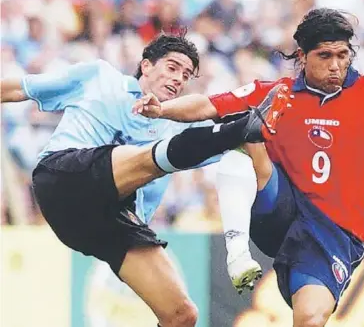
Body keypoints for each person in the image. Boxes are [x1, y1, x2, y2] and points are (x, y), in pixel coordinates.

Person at [132, 8, 364, 327]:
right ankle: (237, 252)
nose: (336, 65)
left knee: (309, 318)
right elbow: (208, 106)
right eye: (325, 56)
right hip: (279, 208)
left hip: (332, 234)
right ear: (303, 57)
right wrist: (161, 109)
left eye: (342, 55)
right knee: (249, 130)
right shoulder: (280, 91)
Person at [0, 33, 290, 327]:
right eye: (172, 67)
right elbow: (19, 89)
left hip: (107, 222)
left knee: (182, 314)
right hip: (62, 179)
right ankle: (243, 125)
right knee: (146, 157)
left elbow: (249, 155)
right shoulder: (99, 76)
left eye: (186, 75)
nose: (178, 79)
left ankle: (244, 127)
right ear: (146, 66)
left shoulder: (182, 128)